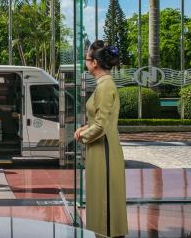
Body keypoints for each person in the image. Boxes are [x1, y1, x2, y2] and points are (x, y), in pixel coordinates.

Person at [74, 40, 128, 237]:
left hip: (103, 150)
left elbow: (101, 126)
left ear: (94, 63)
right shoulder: (104, 84)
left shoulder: (105, 86)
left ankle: (105, 233)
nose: (85, 63)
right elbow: (100, 119)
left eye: (87, 60)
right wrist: (87, 127)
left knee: (104, 198)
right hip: (101, 149)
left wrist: (82, 134)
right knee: (101, 196)